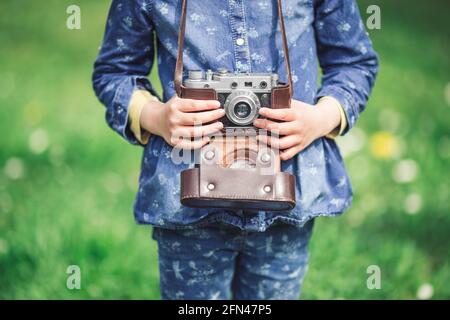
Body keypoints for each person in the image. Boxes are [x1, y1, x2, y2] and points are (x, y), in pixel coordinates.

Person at [93, 0, 378, 300]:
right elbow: (114, 71)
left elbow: (354, 62)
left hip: (287, 199)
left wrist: (320, 118)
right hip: (187, 198)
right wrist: (156, 117)